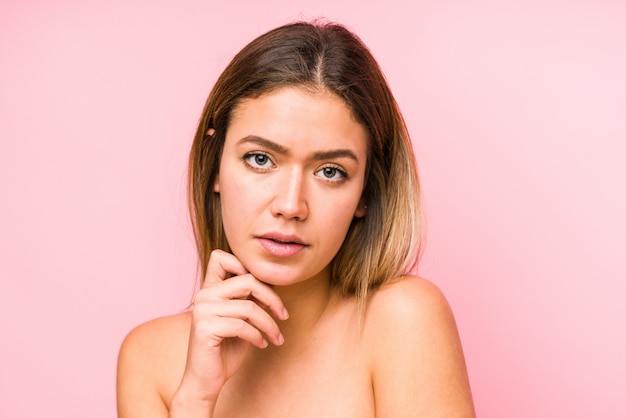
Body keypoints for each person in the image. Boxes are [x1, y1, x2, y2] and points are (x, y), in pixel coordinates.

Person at [116, 20, 475, 417]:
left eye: (330, 171)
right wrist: (196, 398)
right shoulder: (148, 359)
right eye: (260, 159)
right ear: (215, 167)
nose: (290, 205)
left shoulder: (403, 320)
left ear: (365, 194)